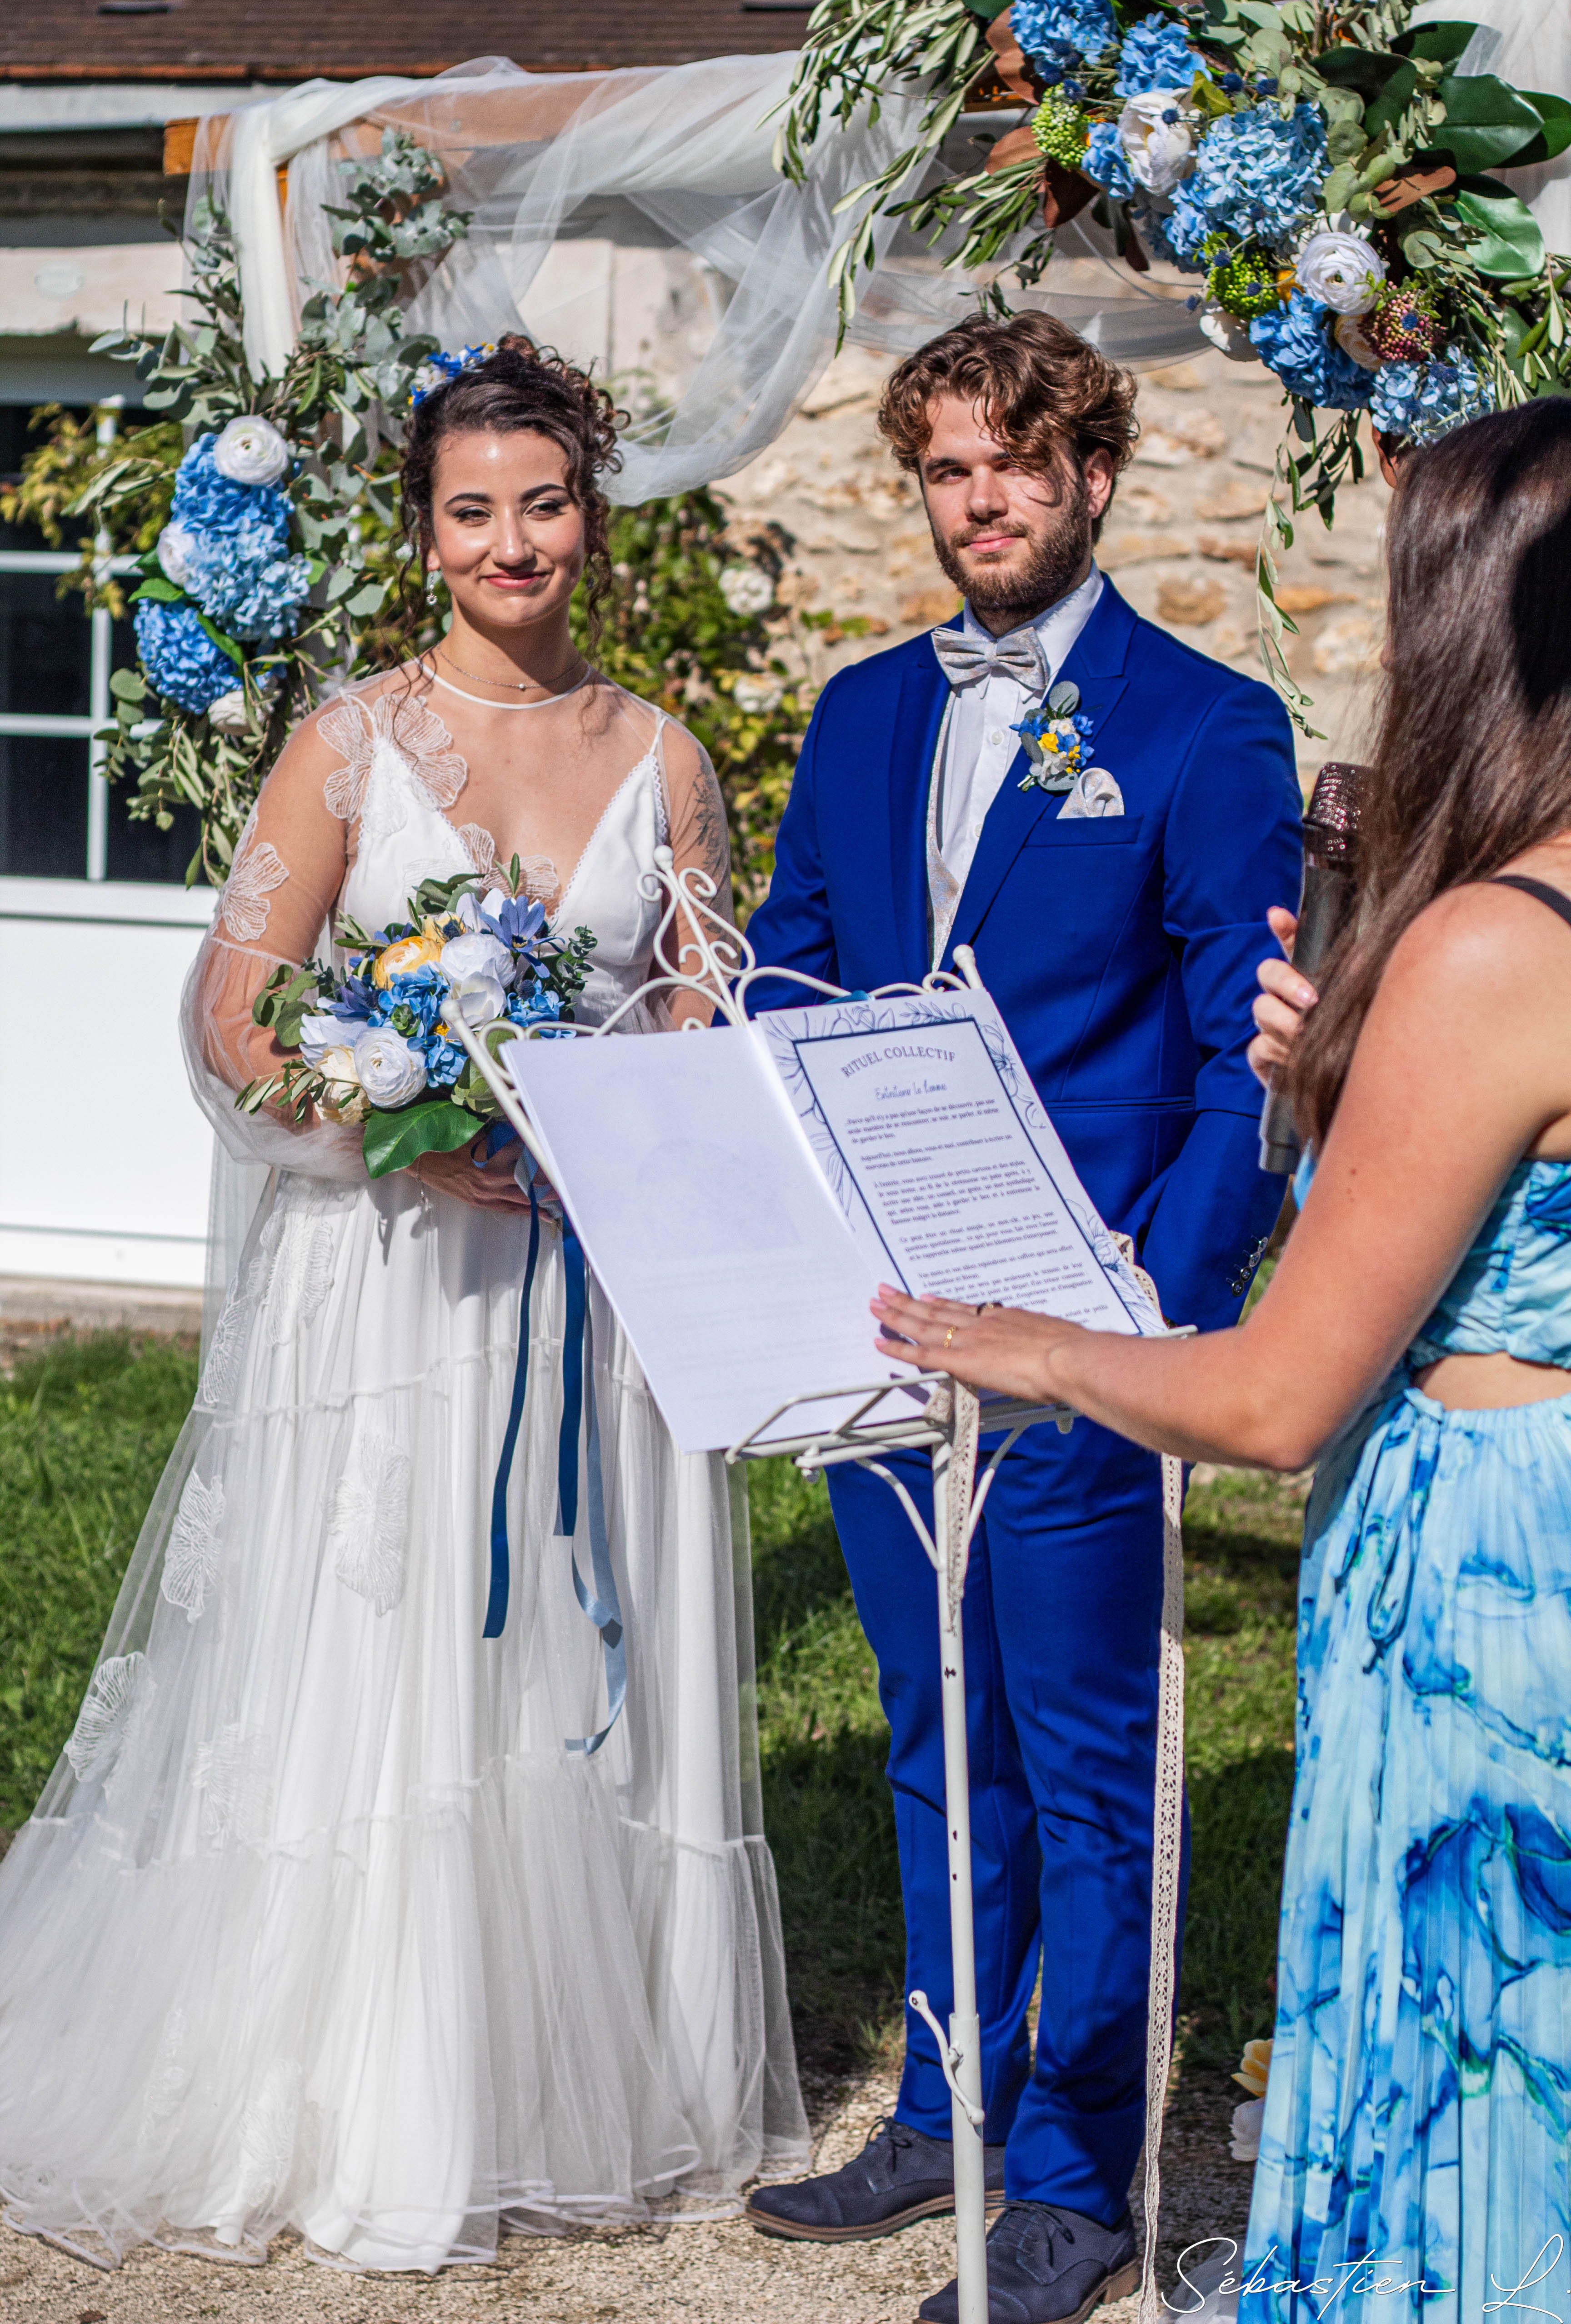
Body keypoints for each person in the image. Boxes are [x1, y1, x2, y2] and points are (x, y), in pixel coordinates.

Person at [0, 339, 806, 2275]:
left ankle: (578, 2072)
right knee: (394, 1668)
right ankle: (369, 2095)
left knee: (562, 1665)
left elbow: (700, 1020)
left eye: (544, 501)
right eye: (474, 509)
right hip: (394, 1283)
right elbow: (232, 1007)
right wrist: (390, 1125)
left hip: (581, 1288)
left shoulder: (669, 756)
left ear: (589, 513)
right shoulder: (351, 741)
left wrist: (629, 1142)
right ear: (425, 531)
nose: (512, 541)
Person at [871, 397, 1571, 2324]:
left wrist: (1041, 1341)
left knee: (1479, 2085)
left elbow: (1273, 1403)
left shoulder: (1490, 950)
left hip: (1487, 1605)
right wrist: (1339, 1085)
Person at [743, 310, 1302, 2324]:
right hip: (878, 1318)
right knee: (927, 1722)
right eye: (947, 471)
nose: (979, 503)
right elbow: (796, 970)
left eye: (1014, 464)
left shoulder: (1204, 722)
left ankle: (1078, 2170)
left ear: (1090, 476)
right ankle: (944, 2102)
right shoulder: (865, 711)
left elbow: (1249, 1053)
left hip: (1086, 1324)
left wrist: (1158, 1305)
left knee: (1082, 1754)